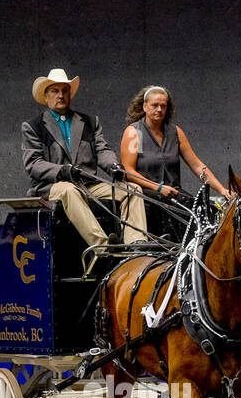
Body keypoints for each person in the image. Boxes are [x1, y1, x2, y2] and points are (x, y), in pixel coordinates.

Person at [21, 67, 147, 276]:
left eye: (64, 90)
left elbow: (102, 150)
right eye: (54, 91)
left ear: (70, 94)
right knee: (69, 190)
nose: (60, 95)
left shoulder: (89, 122)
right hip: (53, 187)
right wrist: (63, 171)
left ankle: (136, 246)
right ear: (46, 96)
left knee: (132, 188)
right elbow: (33, 164)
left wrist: (113, 166)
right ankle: (103, 247)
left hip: (90, 184)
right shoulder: (33, 126)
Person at [119, 85, 230, 238]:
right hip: (146, 194)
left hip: (173, 193)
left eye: (163, 106)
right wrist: (158, 188)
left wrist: (222, 190)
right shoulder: (133, 132)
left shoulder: (175, 132)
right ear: (144, 106)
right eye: (154, 105)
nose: (159, 109)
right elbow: (128, 172)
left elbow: (197, 166)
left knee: (204, 211)